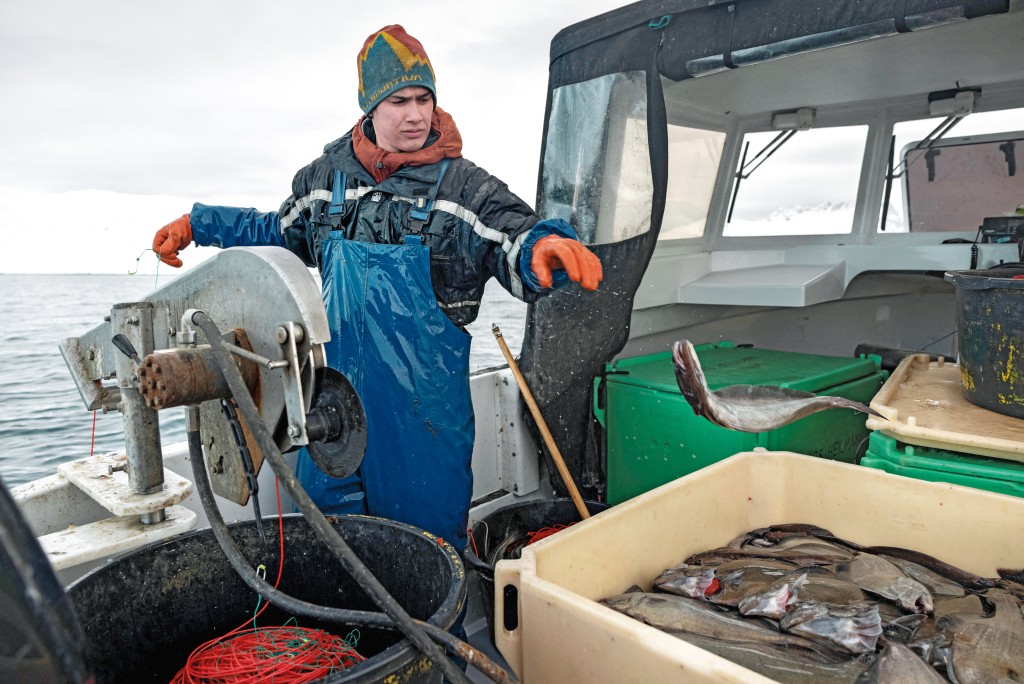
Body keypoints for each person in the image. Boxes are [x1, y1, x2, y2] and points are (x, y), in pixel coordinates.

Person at [152, 25, 602, 554]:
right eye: (399, 101)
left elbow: (511, 234)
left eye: (424, 98)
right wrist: (199, 223)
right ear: (369, 108)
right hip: (333, 409)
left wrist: (542, 247)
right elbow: (277, 232)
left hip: (423, 423)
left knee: (426, 557)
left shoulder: (463, 190)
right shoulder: (323, 182)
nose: (416, 114)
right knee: (332, 555)